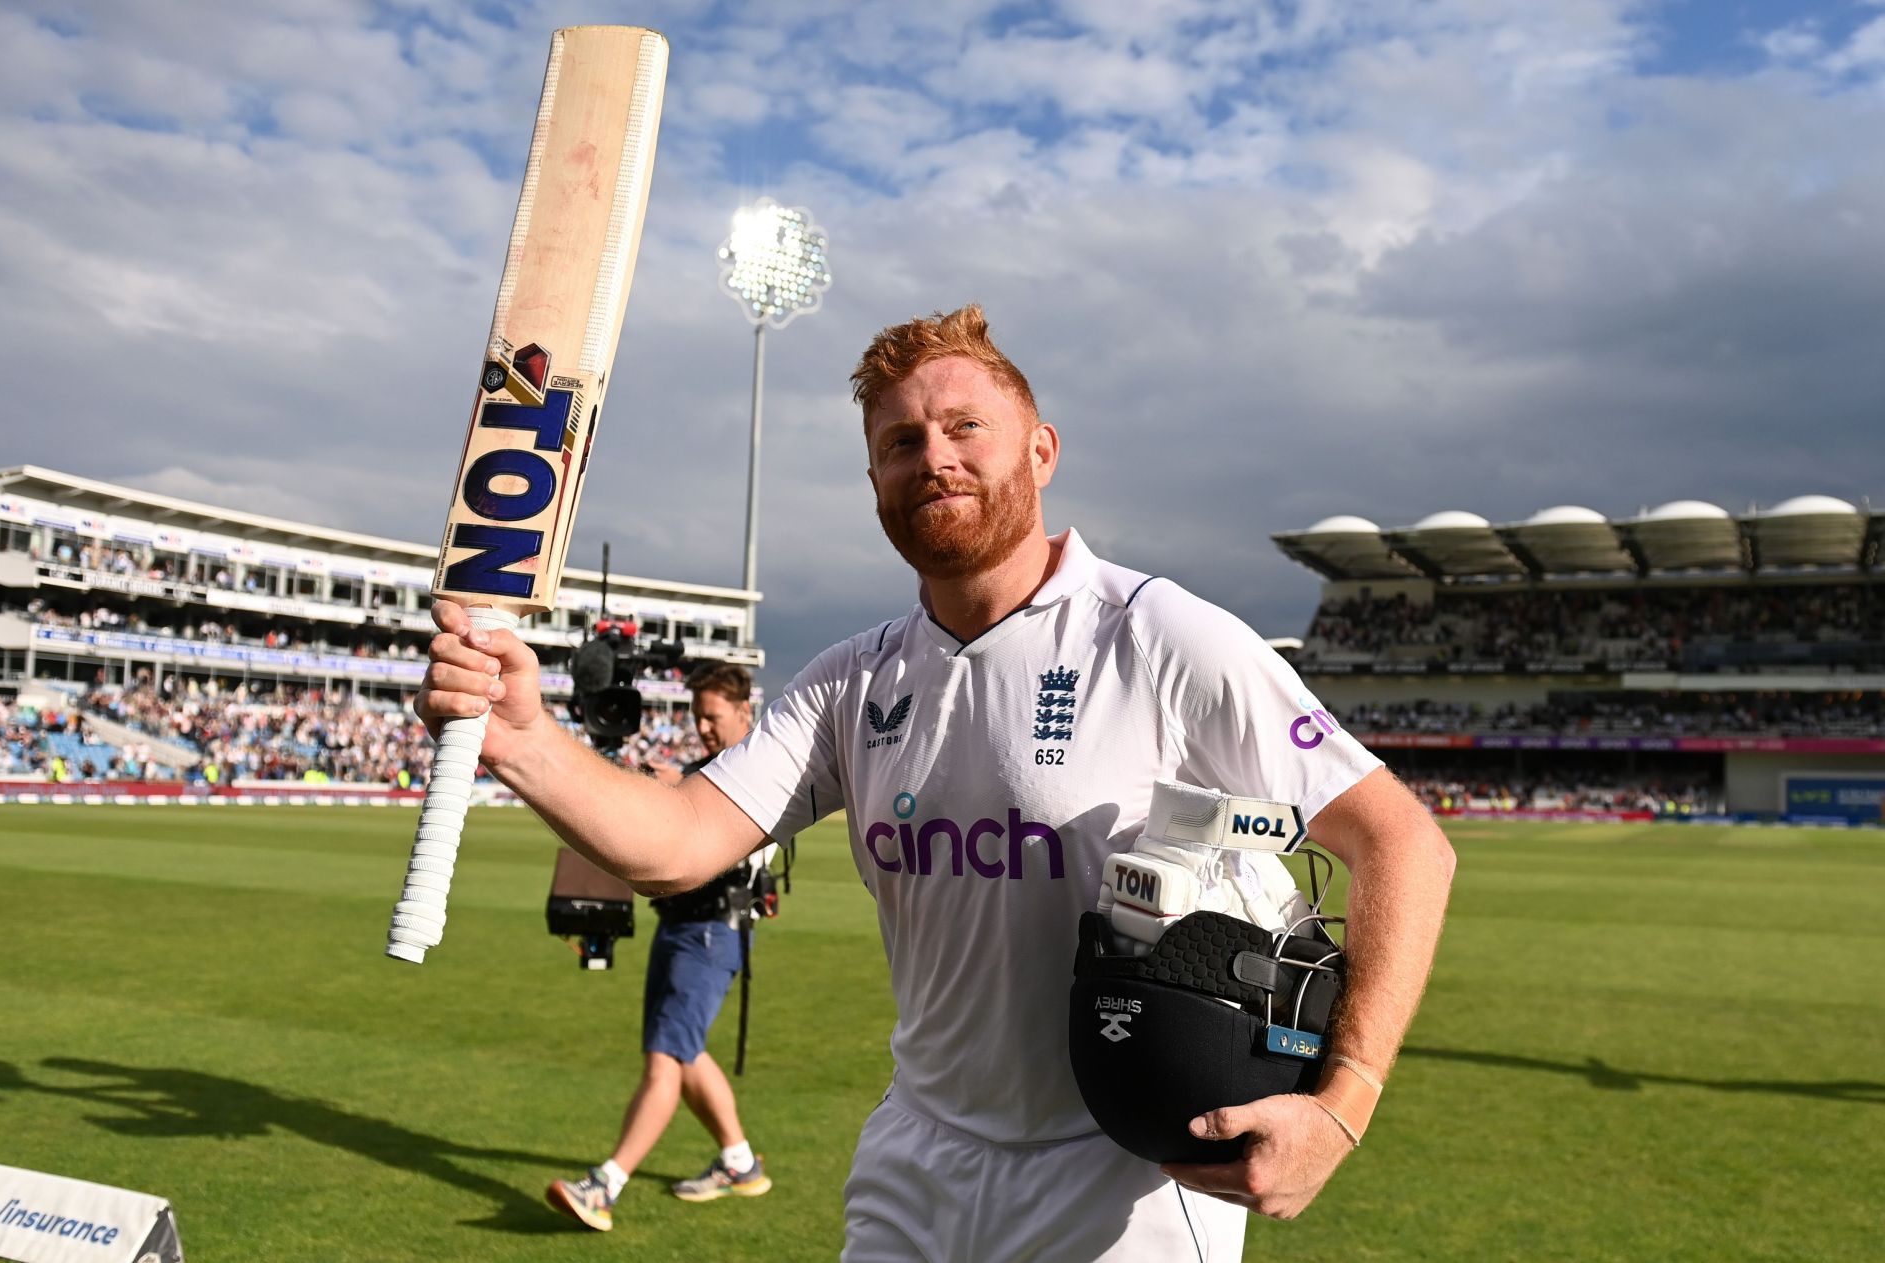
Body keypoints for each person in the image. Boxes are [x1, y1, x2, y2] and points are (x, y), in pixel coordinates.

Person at [418, 305, 1457, 1259]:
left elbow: (1402, 842)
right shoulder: (851, 680)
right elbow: (679, 840)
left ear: (1040, 451)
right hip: (917, 1161)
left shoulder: (1159, 636)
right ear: (874, 483)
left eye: (965, 428)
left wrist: (1343, 1100)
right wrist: (523, 740)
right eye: (899, 444)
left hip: (1124, 1181)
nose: (934, 459)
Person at [544, 662, 775, 1233]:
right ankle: (740, 1162)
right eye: (697, 714)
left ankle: (606, 1184)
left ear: (745, 712)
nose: (703, 726)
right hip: (685, 929)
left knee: (666, 1059)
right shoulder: (715, 770)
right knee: (685, 1051)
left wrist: (670, 784)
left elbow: (708, 806)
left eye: (713, 715)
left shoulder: (759, 774)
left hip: (709, 933)